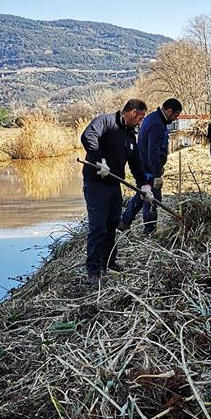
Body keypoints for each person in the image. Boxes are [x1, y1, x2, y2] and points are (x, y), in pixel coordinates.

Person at [80, 99, 147, 282]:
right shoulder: (106, 121)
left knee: (111, 225)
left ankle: (109, 263)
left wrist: (145, 185)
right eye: (140, 117)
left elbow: (136, 164)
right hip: (96, 184)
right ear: (133, 112)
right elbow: (88, 136)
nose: (140, 121)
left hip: (113, 186)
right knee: (98, 228)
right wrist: (99, 160)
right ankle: (93, 270)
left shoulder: (130, 136)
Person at [118, 98, 183, 235]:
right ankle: (149, 230)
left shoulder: (155, 119)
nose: (175, 118)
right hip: (148, 168)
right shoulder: (157, 124)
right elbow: (152, 151)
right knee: (152, 198)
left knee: (143, 194)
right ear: (169, 111)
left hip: (147, 166)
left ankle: (125, 221)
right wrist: (156, 174)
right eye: (175, 115)